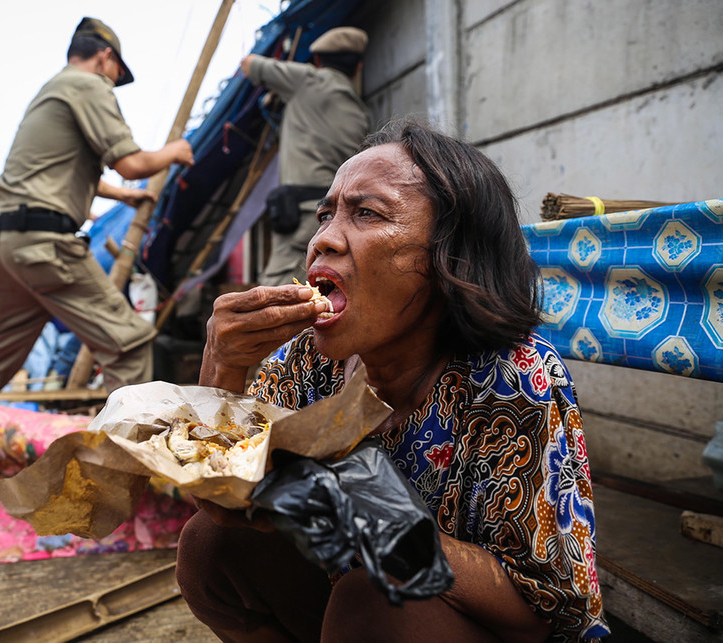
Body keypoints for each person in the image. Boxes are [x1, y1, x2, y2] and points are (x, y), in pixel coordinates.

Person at [176, 119, 610, 642]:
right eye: (325, 214)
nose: (323, 240)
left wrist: (386, 520)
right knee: (211, 547)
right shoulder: (307, 364)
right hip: (350, 611)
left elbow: (545, 617)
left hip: (471, 626)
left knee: (376, 599)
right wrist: (221, 365)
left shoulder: (514, 379)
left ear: (448, 254)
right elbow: (220, 500)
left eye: (366, 213)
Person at [0, 17, 193, 402]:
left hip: (4, 242)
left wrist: (123, 197)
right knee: (130, 342)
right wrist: (175, 151)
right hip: (42, 245)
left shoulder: (52, 91)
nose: (111, 83)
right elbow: (131, 164)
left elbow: (61, 171)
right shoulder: (88, 85)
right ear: (105, 57)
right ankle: (125, 451)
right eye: (114, 75)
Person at [240, 26, 371, 287]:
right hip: (336, 215)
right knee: (324, 285)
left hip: (300, 212)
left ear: (319, 61)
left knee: (281, 288)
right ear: (358, 68)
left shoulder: (307, 80)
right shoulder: (361, 112)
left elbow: (249, 64)